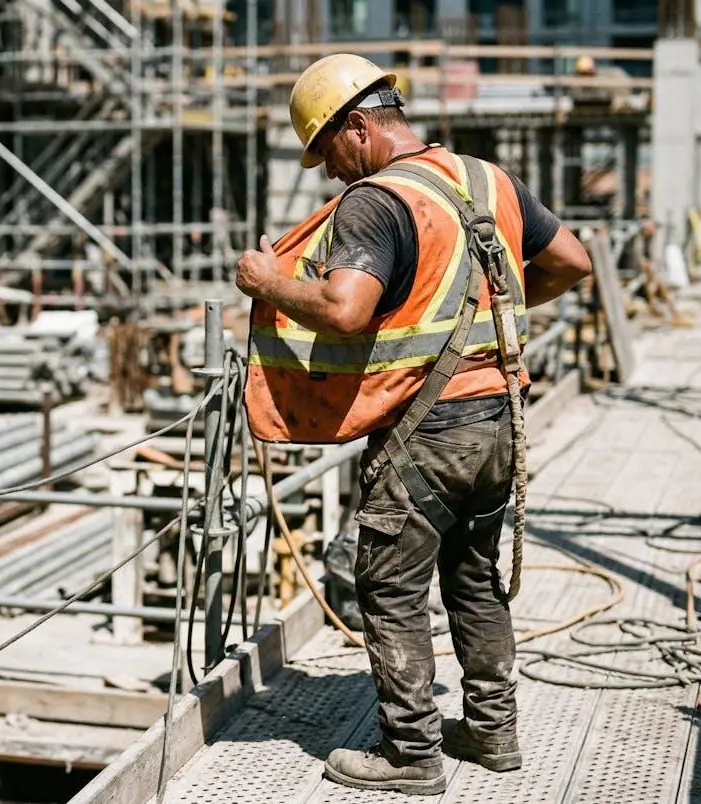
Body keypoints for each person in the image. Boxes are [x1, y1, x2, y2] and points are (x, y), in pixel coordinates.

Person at [235, 53, 592, 796]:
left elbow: (344, 310)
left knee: (389, 587)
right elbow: (572, 262)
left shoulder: (375, 200)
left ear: (357, 128)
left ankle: (411, 753)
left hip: (425, 433)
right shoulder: (486, 180)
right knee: (475, 579)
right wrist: (502, 323)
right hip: (501, 419)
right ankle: (494, 734)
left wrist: (271, 281)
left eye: (327, 151)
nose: (329, 173)